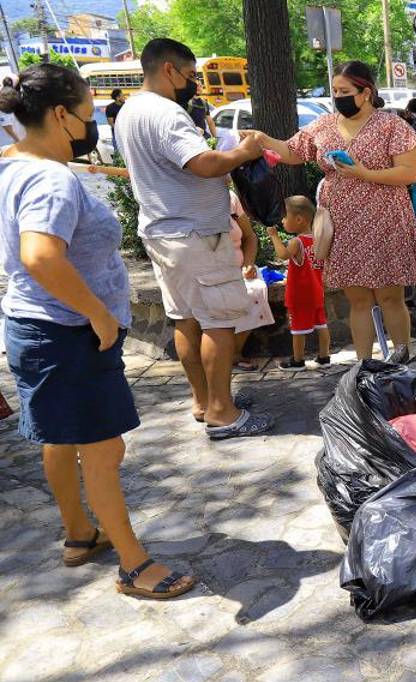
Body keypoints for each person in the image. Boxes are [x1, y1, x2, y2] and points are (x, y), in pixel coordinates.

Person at [0, 63, 195, 598]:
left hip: (32, 327)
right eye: (89, 115)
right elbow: (39, 254)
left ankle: (80, 533)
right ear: (61, 115)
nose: (94, 127)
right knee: (104, 451)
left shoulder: (13, 164)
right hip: (68, 334)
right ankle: (134, 565)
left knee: (60, 438)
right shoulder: (50, 177)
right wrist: (99, 313)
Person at [114, 38, 273, 440]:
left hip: (163, 232)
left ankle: (204, 401)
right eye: (190, 76)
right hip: (196, 234)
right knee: (218, 323)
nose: (194, 85)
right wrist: (244, 151)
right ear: (169, 70)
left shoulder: (129, 111)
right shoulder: (166, 113)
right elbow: (202, 163)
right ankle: (224, 413)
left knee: (185, 320)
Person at [257, 60, 416, 360]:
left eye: (345, 90)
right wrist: (260, 139)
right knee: (357, 299)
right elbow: (293, 151)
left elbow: (410, 173)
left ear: (366, 92)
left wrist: (364, 173)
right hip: (344, 224)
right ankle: (363, 368)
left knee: (390, 296)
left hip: (386, 220)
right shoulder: (324, 125)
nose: (338, 96)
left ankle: (402, 361)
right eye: (335, 90)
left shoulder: (392, 126)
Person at [267, 196, 330, 371]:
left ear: (299, 219)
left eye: (284, 217)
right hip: (317, 290)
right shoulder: (317, 239)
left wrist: (274, 236)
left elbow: (283, 255)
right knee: (321, 324)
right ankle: (324, 357)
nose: (282, 221)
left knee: (298, 329)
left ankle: (298, 360)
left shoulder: (297, 242)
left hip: (300, 294)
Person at [225, 190, 272, 372]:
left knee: (254, 290)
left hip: (240, 269)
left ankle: (236, 351)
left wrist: (248, 263)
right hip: (208, 271)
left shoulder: (231, 198)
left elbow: (250, 237)